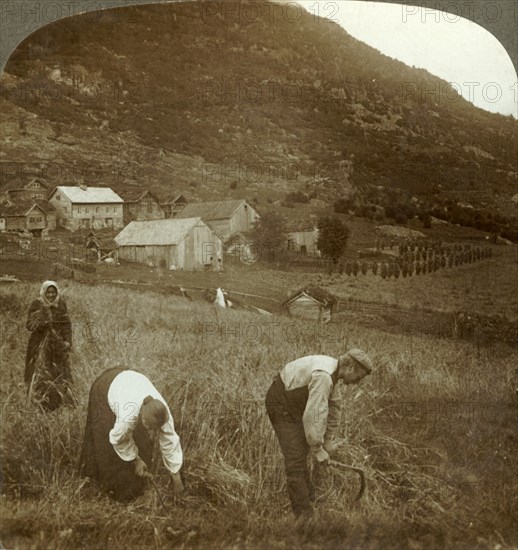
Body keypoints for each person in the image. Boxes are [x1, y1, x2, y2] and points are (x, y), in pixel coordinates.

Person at [265, 349, 373, 518]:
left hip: (294, 402)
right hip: (281, 404)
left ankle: (309, 500)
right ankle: (305, 519)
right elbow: (314, 413)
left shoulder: (333, 372)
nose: (357, 382)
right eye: (358, 377)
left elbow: (335, 407)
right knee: (295, 459)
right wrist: (317, 448)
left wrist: (328, 440)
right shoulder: (324, 377)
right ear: (350, 367)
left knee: (301, 451)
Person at [79, 367, 184, 502]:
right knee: (106, 445)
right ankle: (102, 488)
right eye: (150, 428)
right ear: (142, 417)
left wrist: (176, 478)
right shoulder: (128, 416)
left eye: (155, 429)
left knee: (142, 442)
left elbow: (170, 440)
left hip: (130, 381)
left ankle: (137, 482)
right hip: (107, 386)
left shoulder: (162, 411)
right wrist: (136, 460)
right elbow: (117, 439)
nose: (152, 432)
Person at [25, 280, 73, 411]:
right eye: (48, 292)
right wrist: (42, 323)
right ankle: (39, 402)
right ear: (43, 292)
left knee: (59, 372)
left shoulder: (61, 304)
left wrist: (67, 341)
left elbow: (67, 324)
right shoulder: (37, 304)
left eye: (53, 292)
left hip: (57, 345)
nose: (51, 295)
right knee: (40, 372)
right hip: (39, 344)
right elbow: (29, 325)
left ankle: (60, 402)